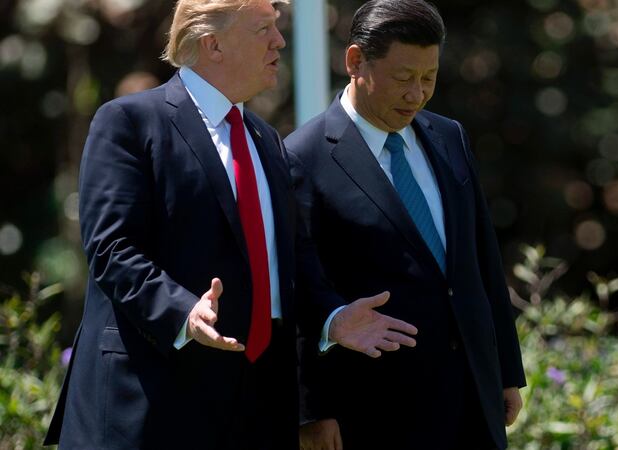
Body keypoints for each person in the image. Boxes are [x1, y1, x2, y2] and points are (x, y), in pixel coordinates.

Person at [44, 0, 417, 448]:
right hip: (151, 404)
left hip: (255, 409)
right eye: (263, 29)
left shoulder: (267, 140)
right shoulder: (129, 121)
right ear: (213, 44)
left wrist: (332, 317)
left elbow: (292, 259)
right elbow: (112, 249)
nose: (279, 42)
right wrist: (183, 311)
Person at [285, 1, 526, 449]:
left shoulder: (449, 136)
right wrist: (312, 410)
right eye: (403, 78)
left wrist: (506, 372)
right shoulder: (303, 156)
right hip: (377, 410)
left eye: (429, 78)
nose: (417, 95)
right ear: (356, 61)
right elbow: (300, 290)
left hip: (473, 397)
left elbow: (482, 260)